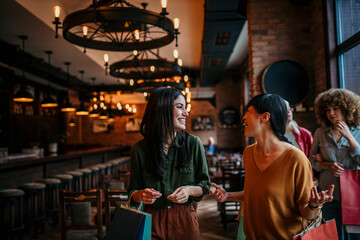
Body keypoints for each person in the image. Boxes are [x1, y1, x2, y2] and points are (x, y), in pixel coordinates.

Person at [211, 93, 334, 240]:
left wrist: (314, 205)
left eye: (249, 111)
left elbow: (307, 214)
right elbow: (257, 193)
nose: (243, 117)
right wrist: (228, 196)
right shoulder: (248, 153)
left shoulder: (296, 158)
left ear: (265, 117)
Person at [127, 87, 211, 240]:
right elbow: (133, 190)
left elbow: (205, 185)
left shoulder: (194, 143)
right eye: (180, 107)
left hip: (184, 220)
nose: (186, 113)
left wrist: (189, 190)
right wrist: (141, 195)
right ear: (162, 109)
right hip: (150, 220)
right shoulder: (139, 149)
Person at [310, 88, 360, 240]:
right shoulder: (320, 133)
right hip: (328, 194)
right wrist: (326, 165)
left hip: (354, 195)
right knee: (332, 236)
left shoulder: (358, 131)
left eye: (335, 108)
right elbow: (311, 161)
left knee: (355, 236)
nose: (331, 113)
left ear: (347, 108)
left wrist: (349, 137)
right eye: (327, 110)